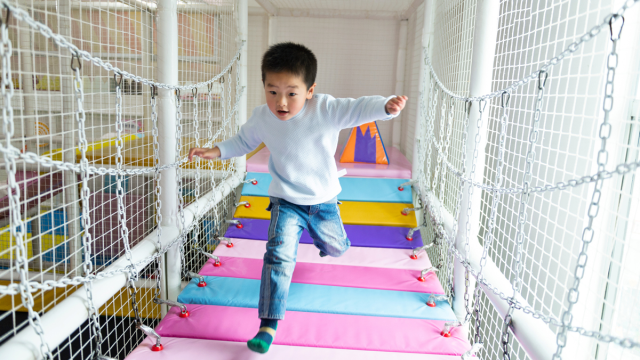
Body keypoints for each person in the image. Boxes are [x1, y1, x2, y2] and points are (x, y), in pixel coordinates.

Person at [188, 42, 407, 354]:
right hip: (285, 201)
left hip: (324, 201)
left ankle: (323, 239)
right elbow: (242, 140)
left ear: (310, 91)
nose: (281, 102)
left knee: (336, 248)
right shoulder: (263, 117)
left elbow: (358, 107)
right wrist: (216, 151)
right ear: (263, 87)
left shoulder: (326, 109)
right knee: (277, 257)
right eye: (272, 91)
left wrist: (385, 107)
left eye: (291, 92)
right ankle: (268, 324)